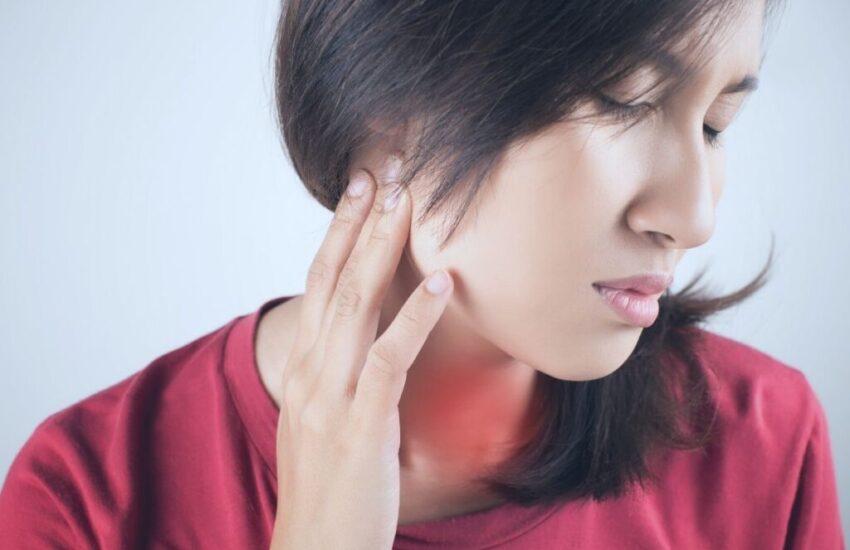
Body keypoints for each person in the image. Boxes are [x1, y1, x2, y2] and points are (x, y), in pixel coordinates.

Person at [0, 0, 845, 548]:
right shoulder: (87, 501)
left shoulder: (759, 444)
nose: (694, 219)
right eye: (623, 100)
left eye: (717, 123)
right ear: (380, 111)